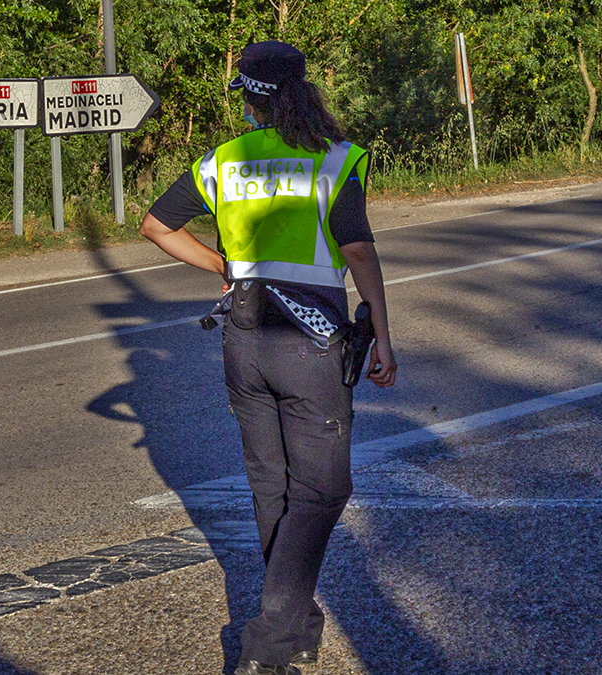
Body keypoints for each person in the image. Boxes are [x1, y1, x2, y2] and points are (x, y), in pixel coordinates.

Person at [140, 41, 396, 675]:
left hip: (245, 341)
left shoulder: (225, 160)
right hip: (311, 342)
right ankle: (271, 640)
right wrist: (384, 334)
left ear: (254, 99)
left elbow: (155, 225)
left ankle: (302, 626)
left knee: (272, 486)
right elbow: (357, 251)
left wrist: (221, 266)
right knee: (326, 488)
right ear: (302, 93)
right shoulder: (337, 158)